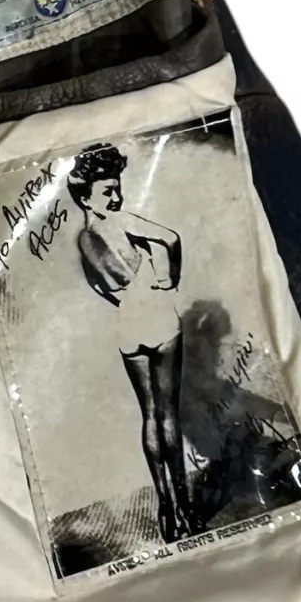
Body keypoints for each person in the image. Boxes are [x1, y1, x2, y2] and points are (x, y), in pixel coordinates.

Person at [67, 142, 197, 542]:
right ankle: (185, 508)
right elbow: (171, 238)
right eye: (108, 190)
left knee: (149, 416)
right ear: (85, 196)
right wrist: (169, 280)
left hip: (128, 326)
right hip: (156, 314)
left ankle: (165, 507)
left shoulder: (84, 240)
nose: (116, 197)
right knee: (168, 415)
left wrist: (125, 299)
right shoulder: (121, 221)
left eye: (117, 189)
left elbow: (99, 286)